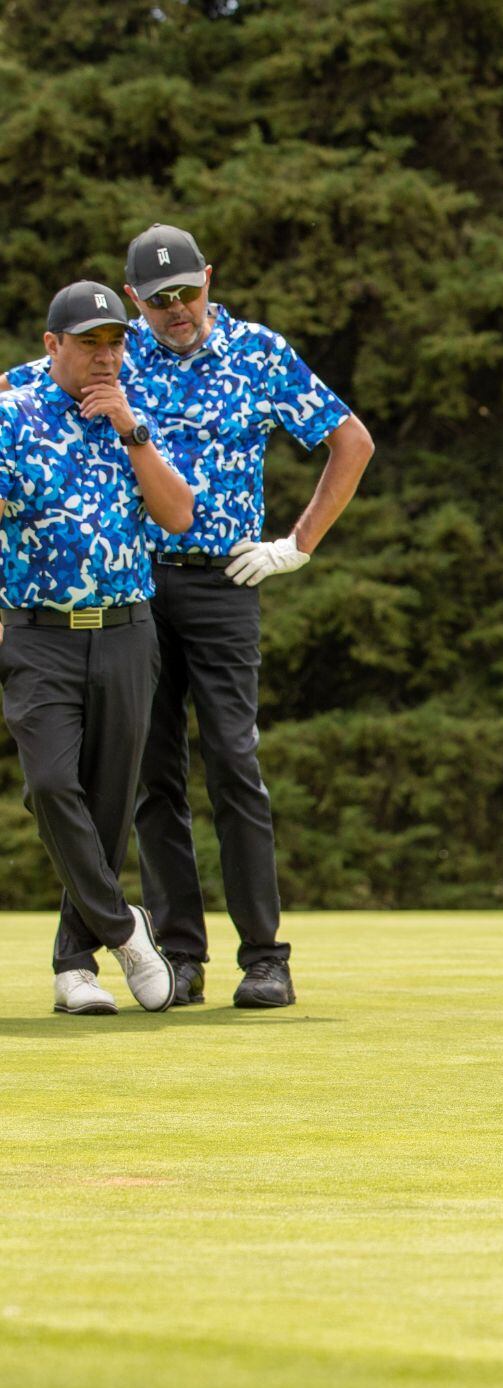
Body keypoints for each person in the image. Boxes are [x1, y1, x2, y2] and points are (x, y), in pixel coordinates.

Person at [4, 224, 375, 1009]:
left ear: (209, 278)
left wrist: (297, 543)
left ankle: (265, 956)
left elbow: (351, 441)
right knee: (150, 779)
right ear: (135, 299)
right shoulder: (114, 350)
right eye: (160, 299)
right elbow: (49, 377)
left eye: (189, 292)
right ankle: (180, 952)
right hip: (131, 591)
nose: (178, 309)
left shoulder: (258, 353)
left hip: (221, 578)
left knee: (234, 761)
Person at [0, 281, 197, 1014]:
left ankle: (72, 966)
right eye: (89, 343)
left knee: (110, 804)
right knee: (51, 784)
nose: (106, 356)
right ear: (52, 347)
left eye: (114, 341)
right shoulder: (10, 418)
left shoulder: (133, 417)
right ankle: (126, 929)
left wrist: (132, 431)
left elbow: (177, 515)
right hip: (39, 635)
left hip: (126, 632)